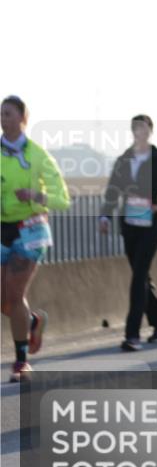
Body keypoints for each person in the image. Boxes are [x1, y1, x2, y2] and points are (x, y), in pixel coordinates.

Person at [100, 115, 157, 352]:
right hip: (129, 225)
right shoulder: (124, 159)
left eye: (143, 128)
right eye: (135, 128)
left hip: (152, 225)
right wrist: (104, 216)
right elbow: (112, 190)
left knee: (139, 275)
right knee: (141, 277)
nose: (139, 131)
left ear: (150, 131)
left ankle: (132, 335)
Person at [1, 96, 71, 382]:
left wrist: (36, 196)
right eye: (1, 114)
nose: (3, 119)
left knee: (16, 295)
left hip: (31, 230)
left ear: (23, 118)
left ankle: (21, 362)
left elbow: (63, 200)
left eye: (8, 114)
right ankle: (32, 322)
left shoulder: (39, 155)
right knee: (3, 301)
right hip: (2, 229)